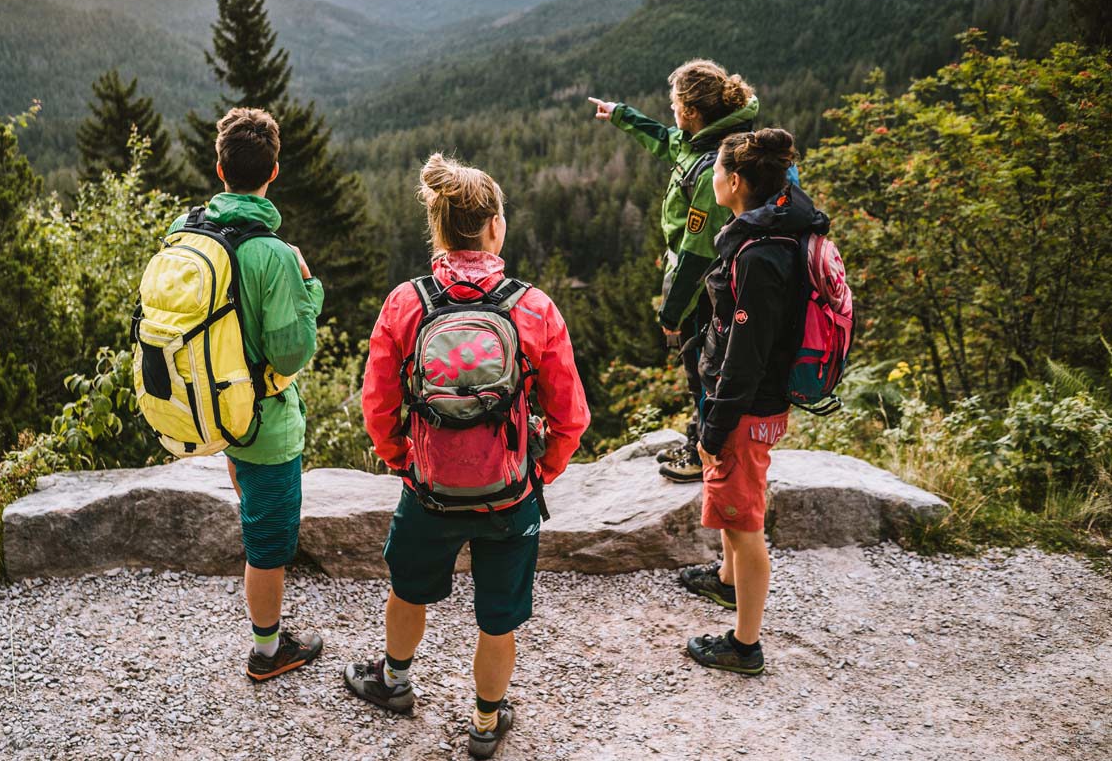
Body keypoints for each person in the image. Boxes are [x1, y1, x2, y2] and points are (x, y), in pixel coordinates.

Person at [344, 154, 590, 759]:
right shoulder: (533, 308)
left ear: (437, 229)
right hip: (509, 496)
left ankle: (395, 681)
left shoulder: (407, 302)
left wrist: (403, 460)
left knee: (408, 588)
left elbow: (376, 402)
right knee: (498, 615)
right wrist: (538, 474)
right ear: (496, 227)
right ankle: (484, 725)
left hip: (428, 489)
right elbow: (571, 416)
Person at [167, 107, 325, 681]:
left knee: (254, 512)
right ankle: (266, 651)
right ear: (274, 172)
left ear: (219, 167)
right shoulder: (273, 255)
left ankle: (268, 627)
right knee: (267, 543)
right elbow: (290, 353)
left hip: (217, 406)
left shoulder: (189, 233)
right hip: (265, 425)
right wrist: (309, 289)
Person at [589, 60, 794, 483]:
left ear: (692, 111)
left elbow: (697, 254)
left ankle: (705, 449)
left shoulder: (712, 166)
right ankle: (702, 435)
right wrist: (621, 115)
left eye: (674, 105)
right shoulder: (703, 141)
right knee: (703, 363)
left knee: (702, 364)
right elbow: (666, 142)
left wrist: (672, 312)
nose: (672, 114)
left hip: (708, 285)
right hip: (705, 271)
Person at [682, 128, 826, 675]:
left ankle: (745, 646)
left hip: (745, 406)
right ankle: (725, 581)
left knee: (746, 524)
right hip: (743, 399)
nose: (713, 179)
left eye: (717, 171)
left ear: (736, 181)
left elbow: (747, 354)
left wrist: (714, 430)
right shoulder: (772, 230)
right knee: (735, 504)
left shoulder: (760, 254)